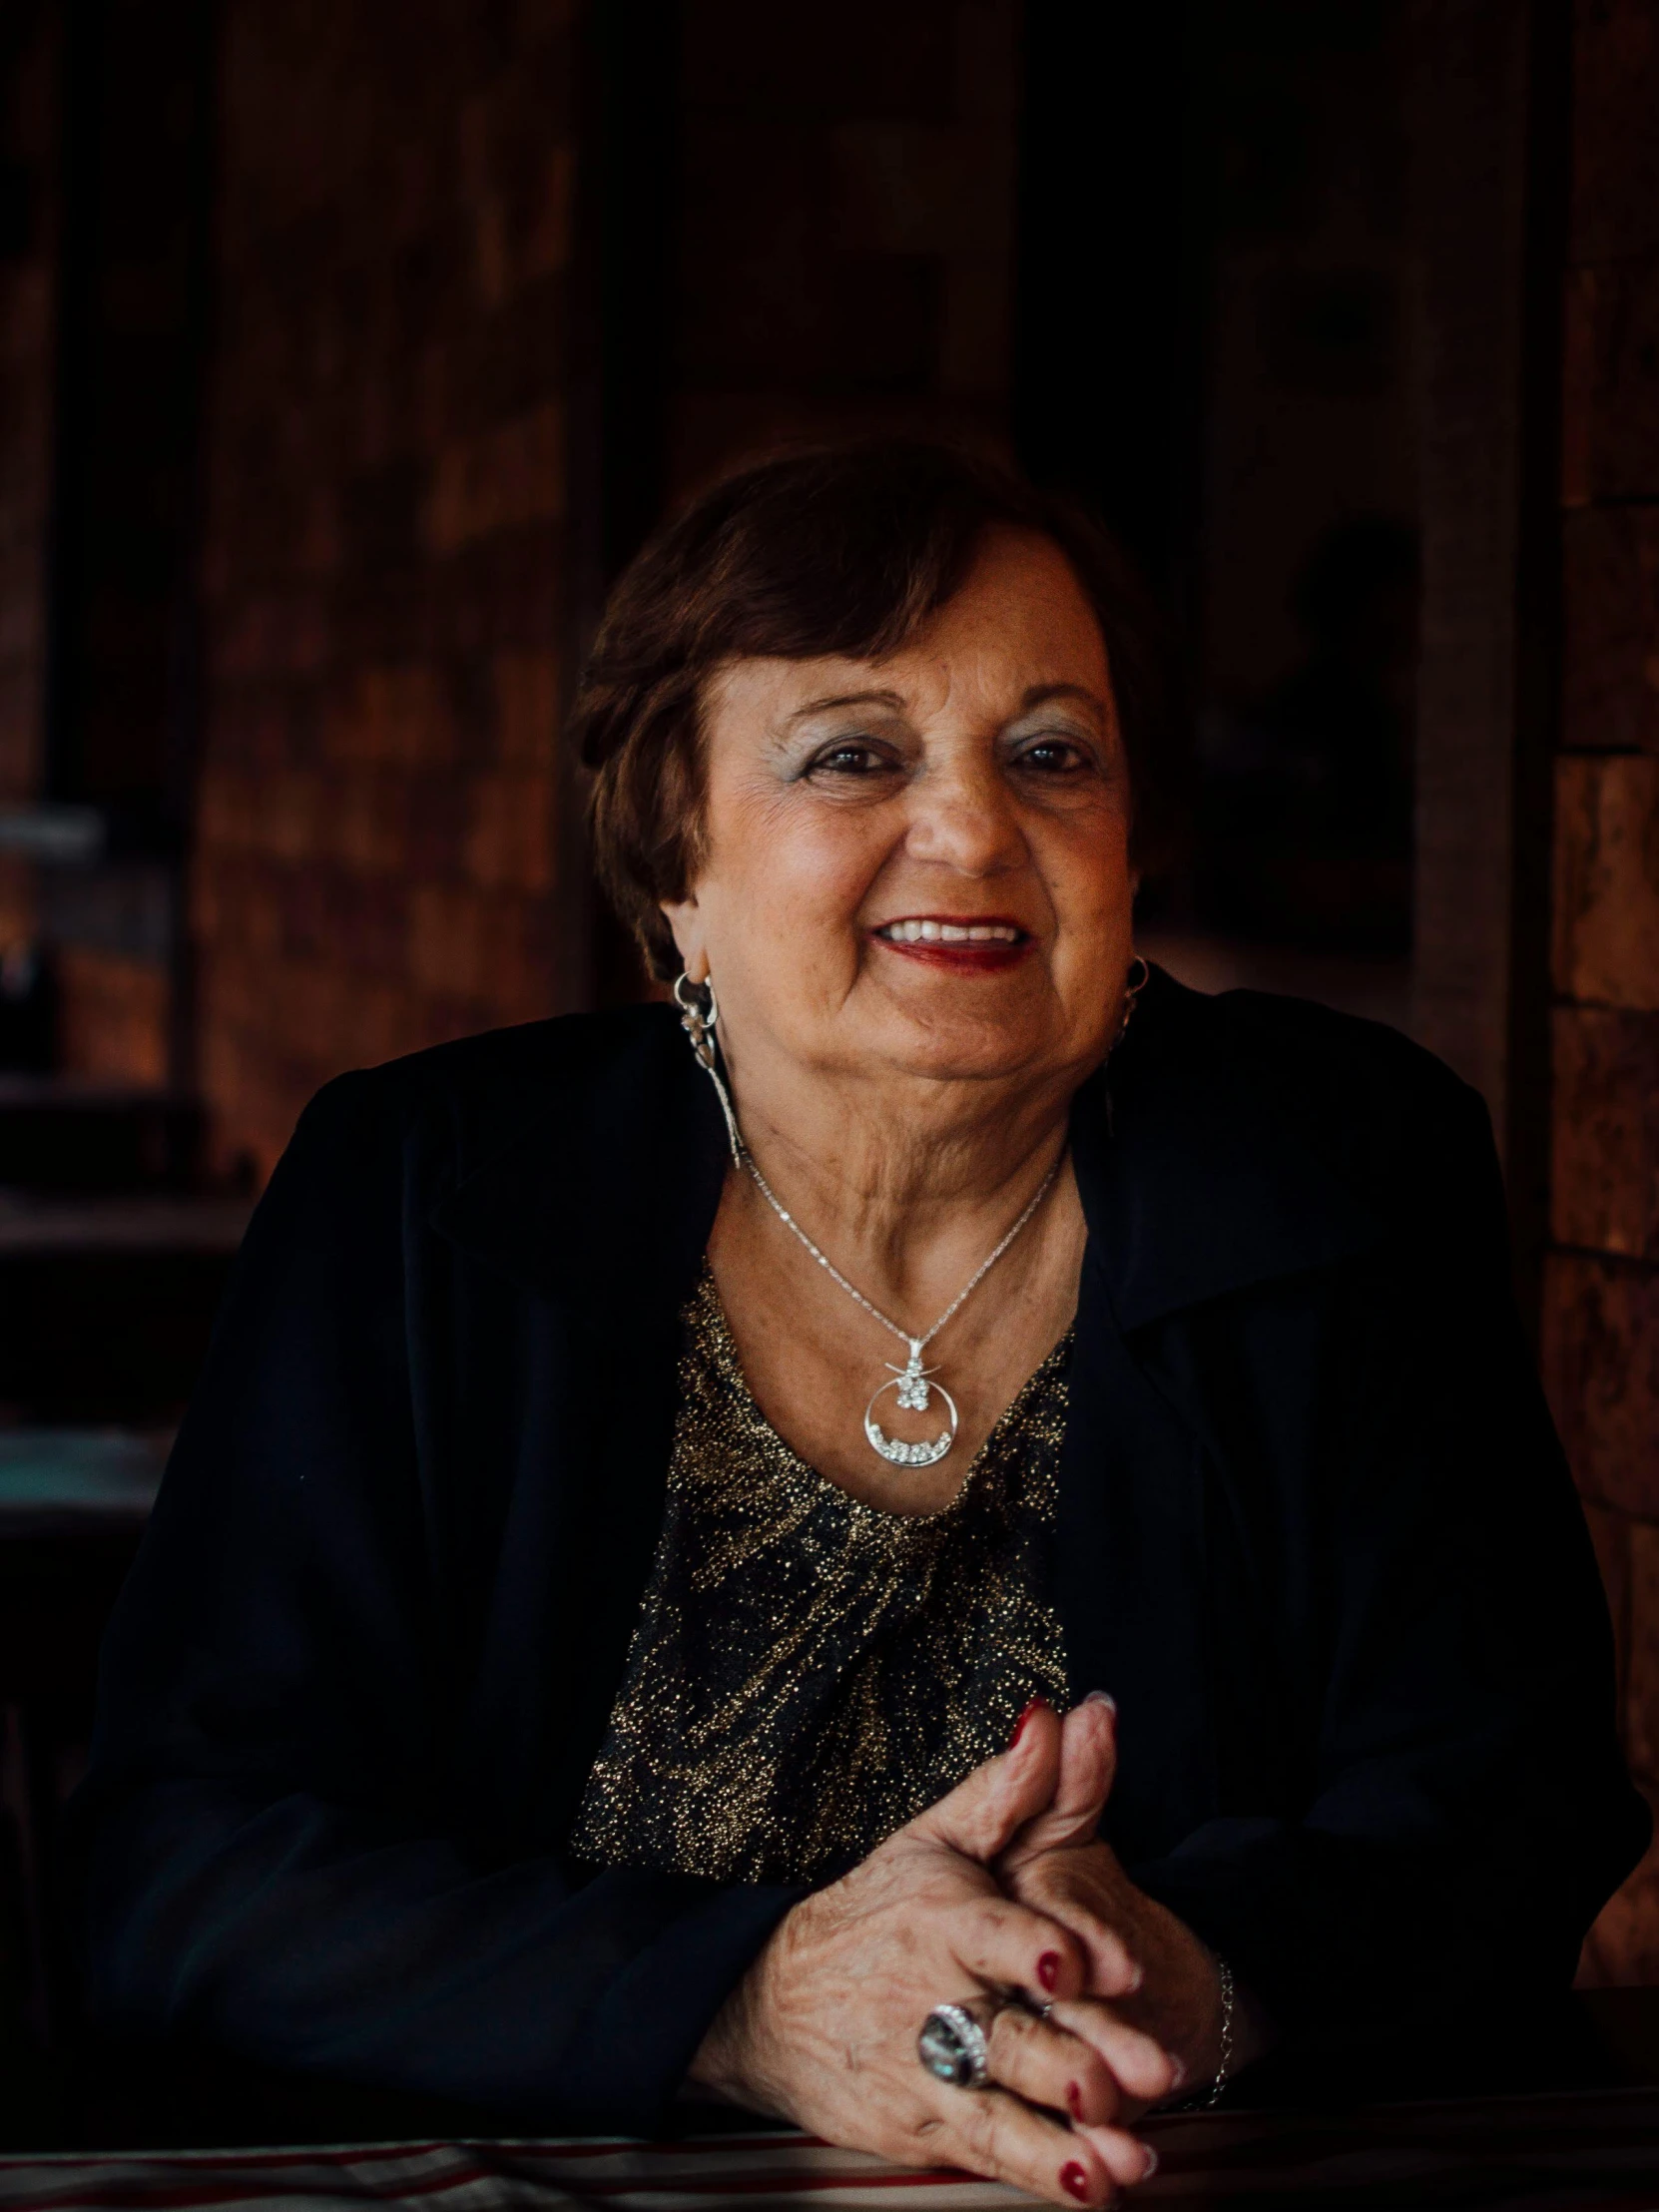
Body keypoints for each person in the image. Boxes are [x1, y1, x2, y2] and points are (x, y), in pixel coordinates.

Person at [74, 442, 1645, 2199]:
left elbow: (1509, 1799)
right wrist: (746, 2006)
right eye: (851, 756)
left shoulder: (1338, 1165)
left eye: (1051, 754)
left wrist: (1187, 1978)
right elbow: (185, 1860)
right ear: (675, 859)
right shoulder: (428, 1190)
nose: (973, 831)